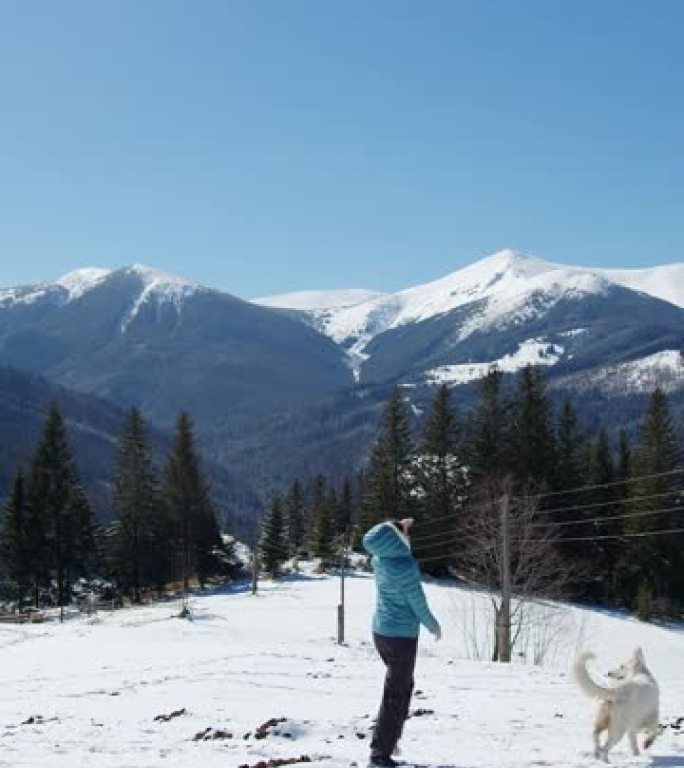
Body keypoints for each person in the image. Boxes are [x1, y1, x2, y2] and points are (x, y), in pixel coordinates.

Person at [362, 517, 441, 768]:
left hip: (382, 633)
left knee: (401, 687)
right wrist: (433, 625)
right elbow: (417, 602)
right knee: (397, 692)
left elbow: (384, 539)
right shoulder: (404, 567)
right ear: (396, 540)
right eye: (403, 532)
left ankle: (388, 739)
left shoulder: (380, 560)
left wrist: (398, 525)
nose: (407, 535)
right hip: (401, 637)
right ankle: (380, 753)